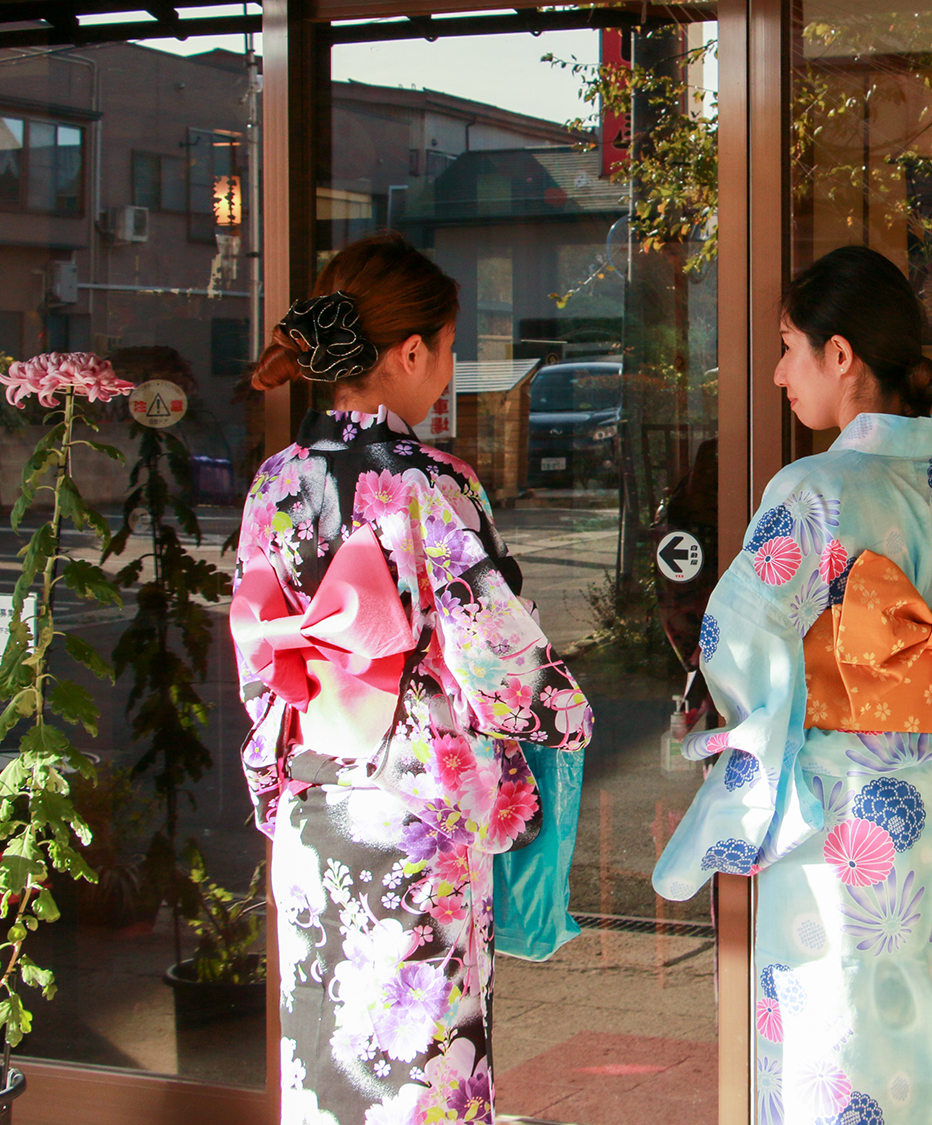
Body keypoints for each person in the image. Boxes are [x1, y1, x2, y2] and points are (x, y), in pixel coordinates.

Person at [653, 246, 932, 1125]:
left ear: (842, 355)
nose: (780, 373)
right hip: (926, 812)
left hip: (833, 814)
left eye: (789, 347)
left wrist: (756, 740)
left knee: (829, 1045)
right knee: (912, 1037)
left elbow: (734, 639)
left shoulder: (813, 489)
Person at [230, 233, 591, 1125]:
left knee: (325, 1060)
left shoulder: (276, 480)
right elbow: (496, 655)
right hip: (416, 815)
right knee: (424, 1064)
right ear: (411, 352)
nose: (451, 367)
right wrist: (566, 714)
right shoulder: (431, 483)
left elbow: (261, 656)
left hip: (316, 806)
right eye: (450, 345)